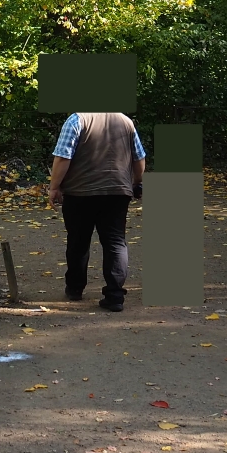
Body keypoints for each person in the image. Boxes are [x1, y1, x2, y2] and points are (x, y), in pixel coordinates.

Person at [48, 112, 146, 312]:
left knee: (78, 240)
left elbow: (63, 157)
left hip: (79, 192)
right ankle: (115, 296)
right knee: (115, 241)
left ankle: (75, 288)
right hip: (118, 191)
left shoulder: (76, 120)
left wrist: (54, 187)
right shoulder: (126, 121)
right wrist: (137, 183)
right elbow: (139, 158)